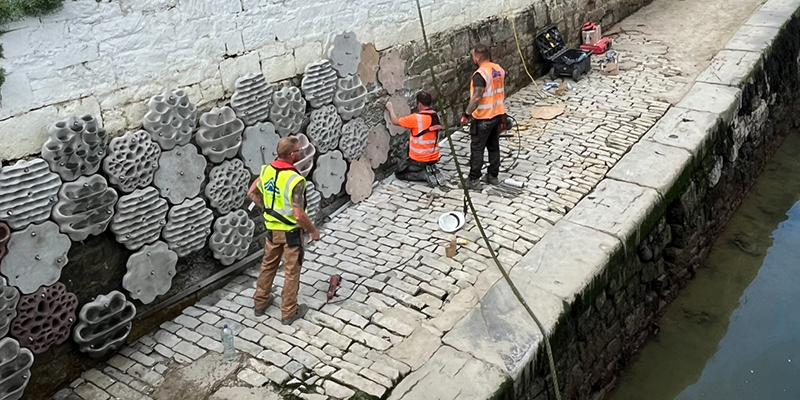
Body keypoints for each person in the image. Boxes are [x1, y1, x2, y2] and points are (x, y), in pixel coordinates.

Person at [247, 136, 320, 325]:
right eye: (299, 150)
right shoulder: (296, 180)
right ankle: (288, 312)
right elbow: (299, 215)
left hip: (272, 230)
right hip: (291, 234)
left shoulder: (266, 171)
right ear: (292, 154)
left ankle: (260, 303)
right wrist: (312, 230)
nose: (301, 152)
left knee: (267, 266)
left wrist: (267, 209)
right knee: (291, 272)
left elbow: (252, 192)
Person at [460, 43, 506, 189]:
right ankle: (493, 176)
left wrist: (466, 114)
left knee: (477, 149)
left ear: (478, 57)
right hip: (497, 114)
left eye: (473, 56)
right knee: (494, 147)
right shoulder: (498, 69)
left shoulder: (480, 75)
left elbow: (476, 97)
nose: (472, 58)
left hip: (483, 118)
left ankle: (473, 180)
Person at [385, 91, 446, 186]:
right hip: (434, 158)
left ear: (420, 104)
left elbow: (395, 121)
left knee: (400, 173)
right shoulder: (436, 116)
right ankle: (431, 169)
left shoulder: (415, 118)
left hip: (419, 160)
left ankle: (423, 174)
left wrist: (390, 108)